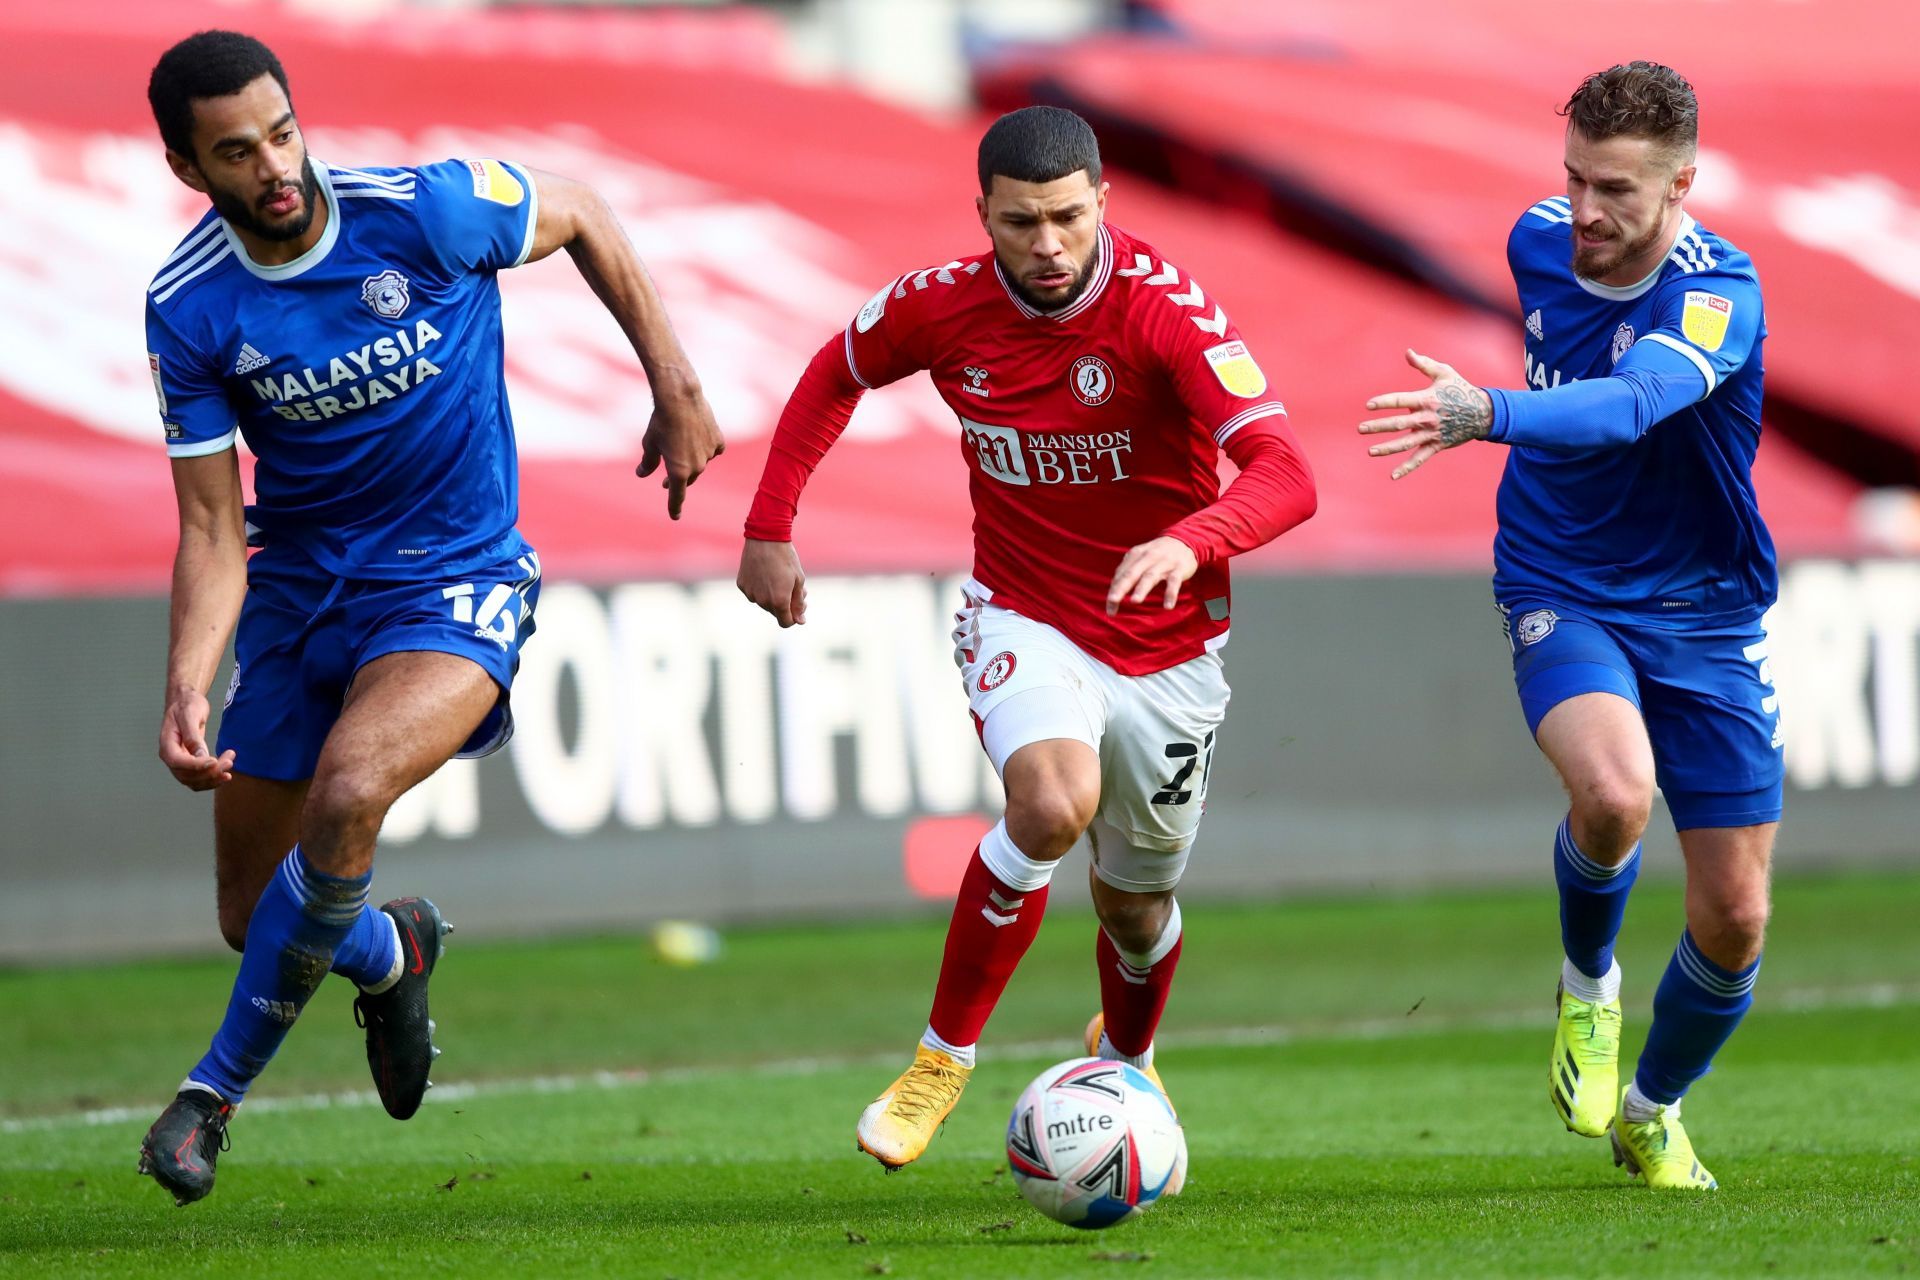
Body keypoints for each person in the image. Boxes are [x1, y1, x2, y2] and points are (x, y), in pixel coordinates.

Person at [137, 30, 723, 1204]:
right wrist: (189, 681)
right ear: (189, 168)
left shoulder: (429, 214)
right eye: (238, 152)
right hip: (303, 592)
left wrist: (675, 382)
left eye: (285, 131)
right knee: (257, 916)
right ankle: (393, 949)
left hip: (454, 573)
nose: (277, 167)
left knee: (352, 792)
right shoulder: (188, 305)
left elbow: (590, 214)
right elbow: (212, 527)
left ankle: (209, 1098)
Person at [737, 106, 1317, 1174]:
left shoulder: (1166, 314)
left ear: (1103, 202)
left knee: (1136, 908)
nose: (1046, 246)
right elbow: (835, 370)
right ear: (984, 216)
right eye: (1020, 223)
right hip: (1025, 610)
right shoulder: (940, 306)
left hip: (1170, 645)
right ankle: (940, 1060)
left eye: (1065, 218)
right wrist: (770, 525)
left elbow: (1287, 470)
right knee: (1049, 803)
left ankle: (1131, 1061)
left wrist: (1193, 540)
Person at [1359, 62, 1778, 1190]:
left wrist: (1482, 409)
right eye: (1576, 179)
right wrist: (1498, 414)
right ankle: (1589, 986)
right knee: (1612, 790)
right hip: (1561, 575)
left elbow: (1632, 404)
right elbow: (1577, 373)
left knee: (1736, 915)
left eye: (1619, 192)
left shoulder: (1717, 294)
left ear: (1684, 182)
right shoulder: (1536, 239)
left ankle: (1652, 1107)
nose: (1586, 212)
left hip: (1703, 609)